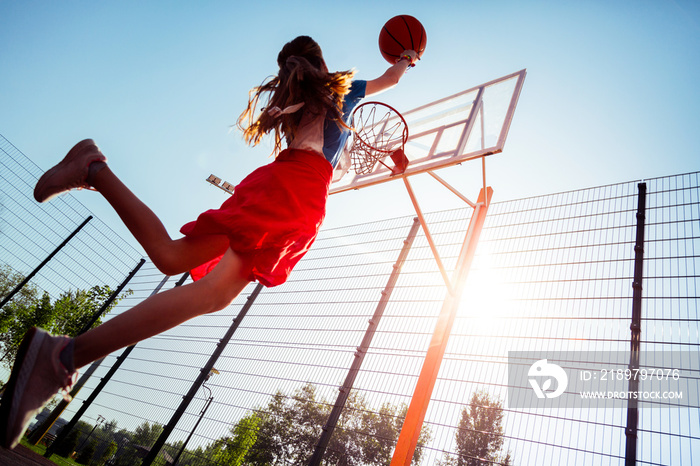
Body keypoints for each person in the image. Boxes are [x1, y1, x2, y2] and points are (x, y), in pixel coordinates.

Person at [0, 36, 418, 449]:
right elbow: (391, 79)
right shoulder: (336, 91)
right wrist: (407, 56)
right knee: (208, 289)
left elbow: (319, 133)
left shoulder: (309, 96)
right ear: (321, 64)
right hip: (297, 191)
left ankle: (61, 350)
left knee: (176, 262)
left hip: (290, 184)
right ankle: (62, 355)